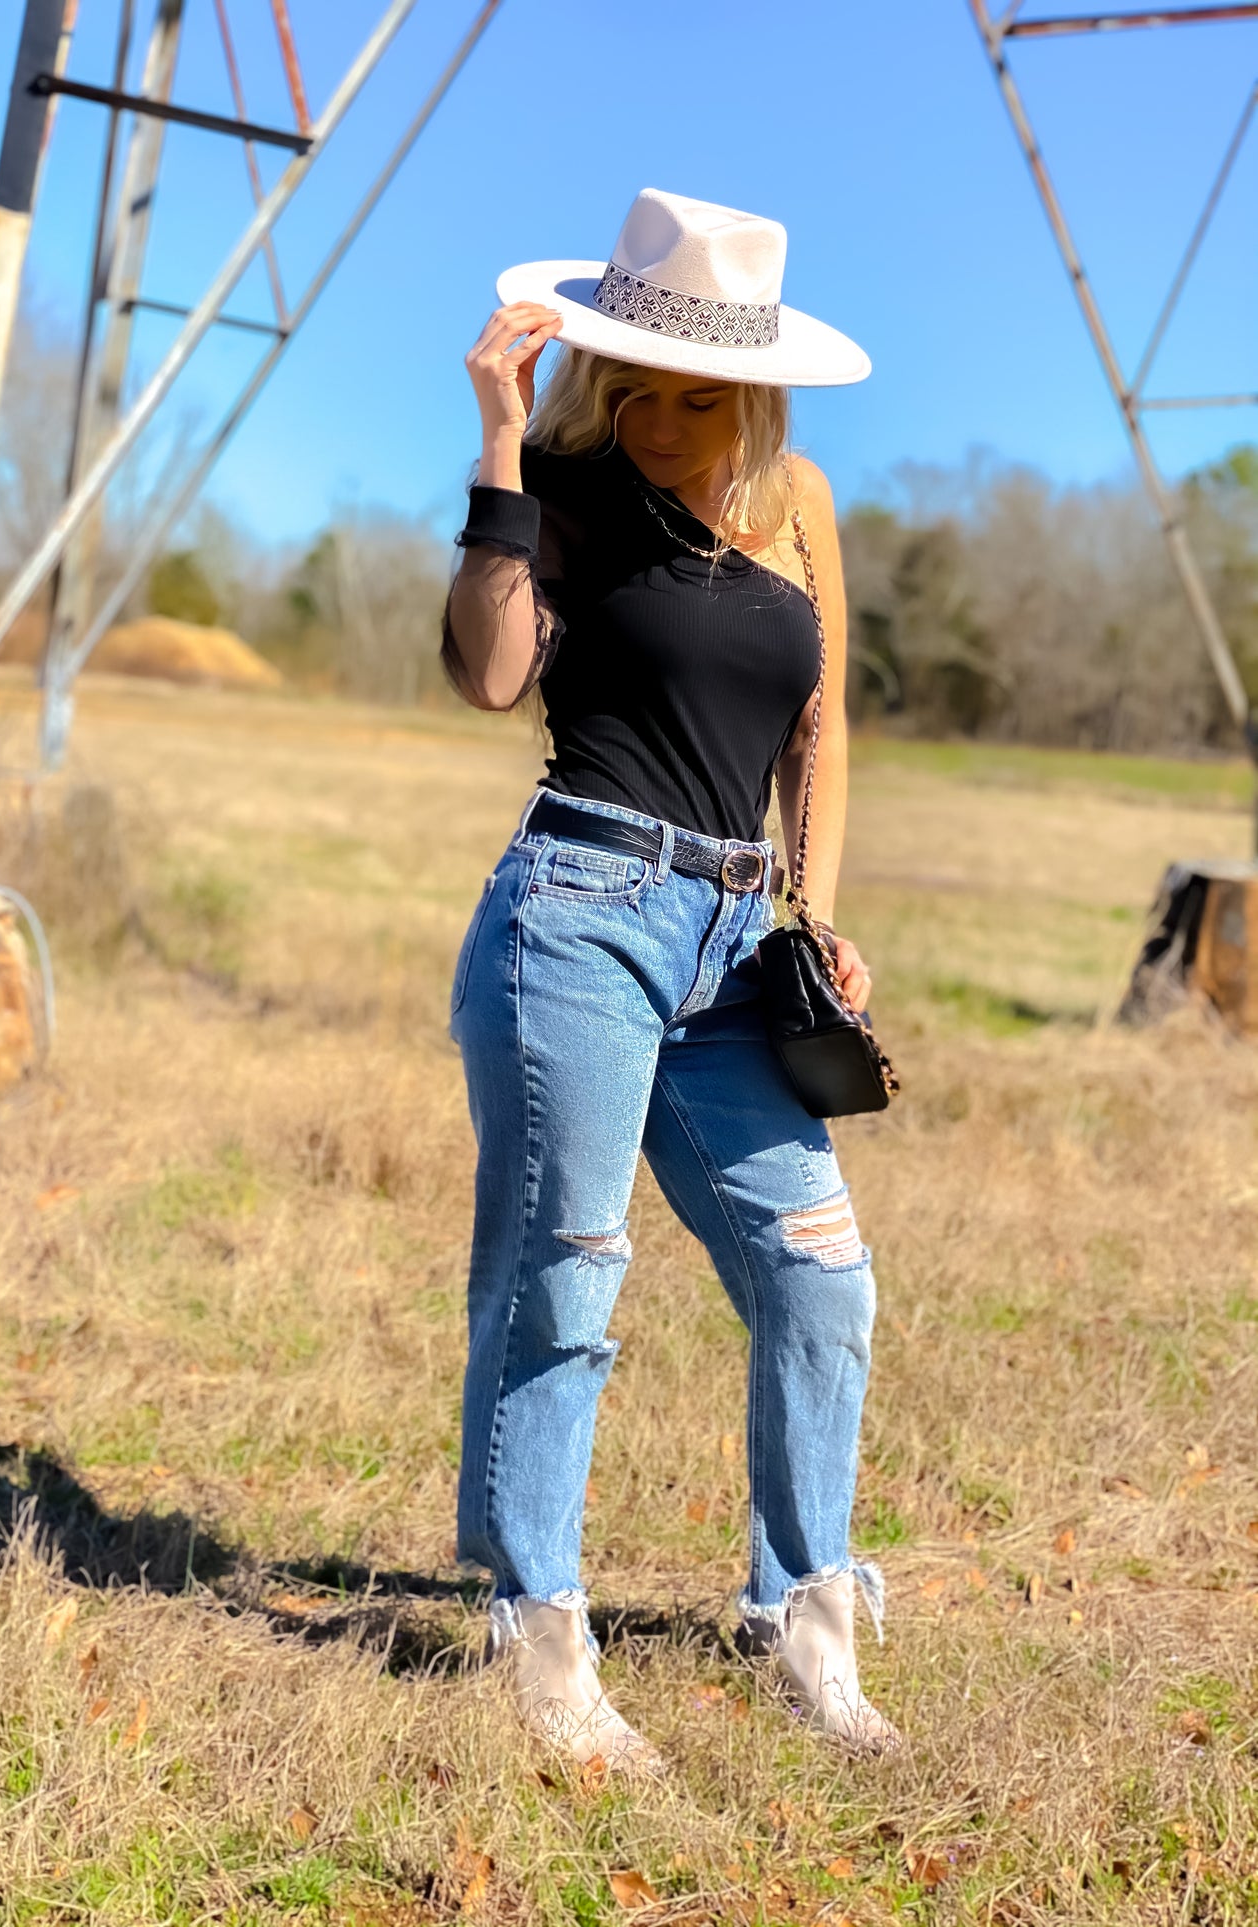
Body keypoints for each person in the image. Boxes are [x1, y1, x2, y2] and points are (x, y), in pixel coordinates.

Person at [441, 188, 899, 1769]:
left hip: (731, 941)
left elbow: (820, 726)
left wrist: (806, 913)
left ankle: (801, 1614)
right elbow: (491, 674)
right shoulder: (561, 482)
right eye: (627, 379)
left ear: (753, 391)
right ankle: (539, 1624)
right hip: (575, 909)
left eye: (691, 391)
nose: (651, 416)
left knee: (820, 1274)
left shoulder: (802, 499)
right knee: (567, 1268)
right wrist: (501, 446)